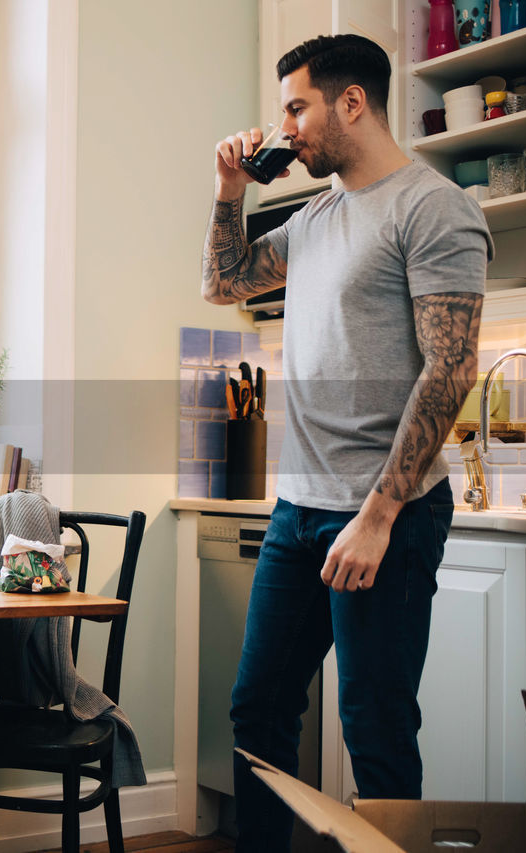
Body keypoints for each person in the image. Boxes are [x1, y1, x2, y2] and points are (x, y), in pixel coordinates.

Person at [201, 34, 492, 851]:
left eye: (297, 106)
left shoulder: (434, 208)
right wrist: (228, 186)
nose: (286, 127)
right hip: (299, 514)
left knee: (376, 728)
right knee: (257, 709)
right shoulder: (317, 214)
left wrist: (380, 513)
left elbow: (451, 368)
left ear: (351, 102)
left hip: (383, 518)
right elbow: (223, 284)